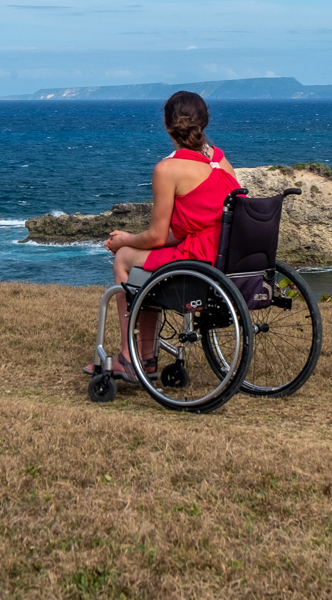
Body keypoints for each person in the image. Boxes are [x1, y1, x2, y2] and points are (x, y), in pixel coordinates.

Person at [93, 91, 241, 382]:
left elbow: (157, 237)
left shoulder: (168, 169)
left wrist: (124, 240)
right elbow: (195, 226)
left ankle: (129, 357)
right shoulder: (222, 163)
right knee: (142, 269)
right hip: (227, 257)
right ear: (205, 121)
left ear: (165, 123)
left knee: (125, 260)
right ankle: (145, 357)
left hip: (199, 263)